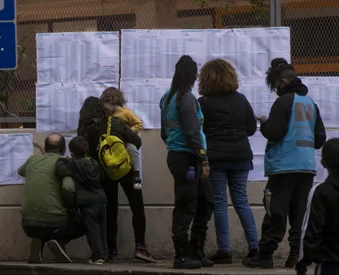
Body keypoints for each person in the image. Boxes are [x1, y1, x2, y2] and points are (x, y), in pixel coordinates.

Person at [243, 58, 326, 269]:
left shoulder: (283, 102)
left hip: (283, 167)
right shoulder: (310, 103)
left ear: (282, 82)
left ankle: (265, 255)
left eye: (276, 85)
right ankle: (295, 255)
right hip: (306, 167)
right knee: (299, 215)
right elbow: (320, 139)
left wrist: (264, 125)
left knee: (276, 212)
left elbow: (276, 133)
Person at [77, 96, 156, 263]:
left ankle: (111, 251)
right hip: (125, 170)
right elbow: (137, 141)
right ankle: (141, 248)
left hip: (103, 174)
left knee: (110, 211)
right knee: (137, 207)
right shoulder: (116, 123)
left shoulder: (84, 130)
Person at [197, 59, 259, 264]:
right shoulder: (241, 99)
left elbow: (199, 131)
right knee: (242, 202)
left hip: (215, 158)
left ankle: (224, 250)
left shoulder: (203, 102)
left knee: (221, 204)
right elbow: (251, 129)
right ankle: (255, 247)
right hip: (241, 156)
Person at [160, 55, 215, 269]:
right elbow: (193, 132)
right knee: (186, 205)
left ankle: (196, 250)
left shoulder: (168, 98)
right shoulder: (186, 99)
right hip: (188, 158)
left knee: (206, 201)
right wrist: (203, 159)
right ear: (193, 75)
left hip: (179, 156)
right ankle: (181, 256)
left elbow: (165, 133)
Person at [18, 133, 84, 264]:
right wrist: (72, 207)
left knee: (41, 222)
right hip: (56, 224)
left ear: (45, 146)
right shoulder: (64, 164)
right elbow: (68, 188)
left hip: (28, 225)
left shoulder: (32, 160)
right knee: (84, 222)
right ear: (64, 149)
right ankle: (59, 241)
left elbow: (21, 171)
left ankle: (38, 241)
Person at [55, 136, 107, 265]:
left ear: (71, 152)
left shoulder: (73, 164)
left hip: (87, 202)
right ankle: (104, 253)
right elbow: (102, 178)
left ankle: (98, 256)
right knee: (102, 229)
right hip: (101, 199)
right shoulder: (94, 163)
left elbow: (60, 171)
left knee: (92, 229)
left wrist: (61, 161)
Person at [296, 138, 339, 275]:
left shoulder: (321, 191)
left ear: (323, 163)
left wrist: (303, 261)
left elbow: (311, 229)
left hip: (329, 263)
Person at [100, 87, 144, 190]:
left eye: (105, 105)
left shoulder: (126, 113)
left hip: (127, 140)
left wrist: (129, 132)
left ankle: (136, 174)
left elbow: (139, 123)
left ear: (110, 100)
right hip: (117, 143)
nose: (104, 108)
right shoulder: (110, 116)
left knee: (131, 149)